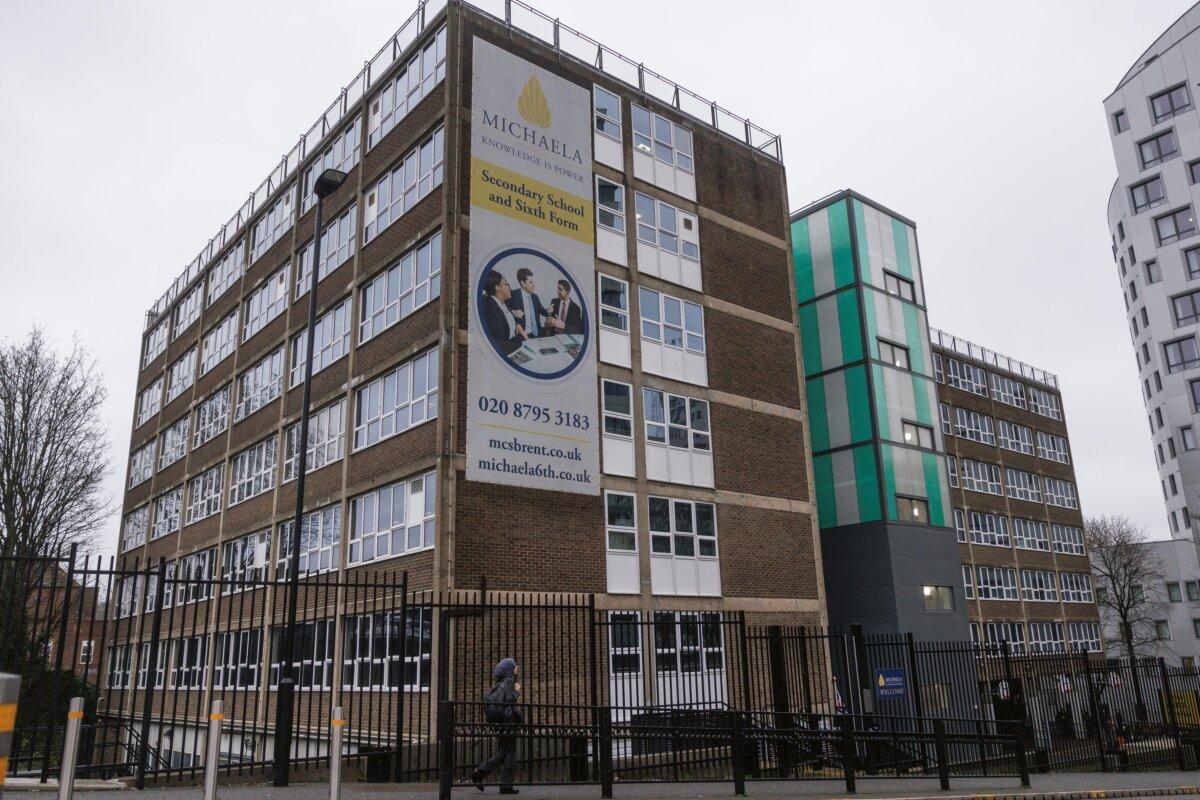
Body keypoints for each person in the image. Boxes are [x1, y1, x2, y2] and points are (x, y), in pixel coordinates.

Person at [471, 658, 522, 794]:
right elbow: (506, 703)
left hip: (500, 725)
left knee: (504, 752)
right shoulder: (508, 683)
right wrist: (517, 691)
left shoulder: (499, 684)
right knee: (510, 752)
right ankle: (504, 785)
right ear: (509, 669)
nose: (517, 668)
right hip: (507, 724)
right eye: (515, 666)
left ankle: (480, 773)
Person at [481, 273, 528, 355]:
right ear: (497, 287)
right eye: (506, 284)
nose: (509, 287)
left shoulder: (501, 303)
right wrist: (521, 336)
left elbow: (505, 321)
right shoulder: (490, 309)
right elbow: (500, 345)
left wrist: (516, 325)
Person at [506, 268, 551, 338]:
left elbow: (542, 311)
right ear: (523, 283)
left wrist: (548, 311)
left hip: (537, 335)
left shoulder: (535, 297)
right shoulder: (513, 295)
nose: (534, 285)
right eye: (531, 282)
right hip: (522, 336)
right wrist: (513, 312)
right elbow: (503, 309)